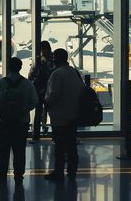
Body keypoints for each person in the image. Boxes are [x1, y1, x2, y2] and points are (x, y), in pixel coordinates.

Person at [0, 57, 39, 183]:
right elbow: (35, 101)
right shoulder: (27, 84)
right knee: (19, 149)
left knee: (2, 150)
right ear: (20, 67)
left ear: (8, 67)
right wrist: (24, 110)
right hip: (21, 123)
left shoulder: (1, 83)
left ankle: (1, 173)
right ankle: (18, 175)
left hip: (4, 122)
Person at [44, 48, 84, 181]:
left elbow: (54, 95)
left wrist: (47, 103)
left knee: (59, 146)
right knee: (72, 145)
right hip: (73, 114)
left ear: (56, 58)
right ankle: (72, 171)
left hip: (59, 116)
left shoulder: (57, 74)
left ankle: (59, 171)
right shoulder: (74, 72)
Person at [27, 41, 54, 141]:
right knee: (51, 112)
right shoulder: (54, 60)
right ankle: (54, 135)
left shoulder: (39, 61)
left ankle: (36, 135)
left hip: (40, 90)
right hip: (51, 90)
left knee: (38, 113)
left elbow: (31, 75)